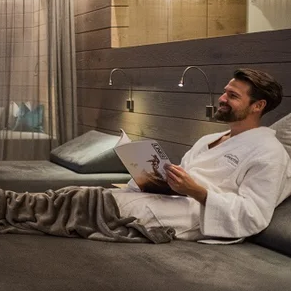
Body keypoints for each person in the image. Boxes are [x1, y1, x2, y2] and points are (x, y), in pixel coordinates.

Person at [112, 68, 291, 241]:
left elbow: (254, 215)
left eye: (233, 96)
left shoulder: (270, 153)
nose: (222, 99)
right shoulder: (208, 139)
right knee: (102, 195)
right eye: (225, 92)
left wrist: (197, 192)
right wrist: (152, 177)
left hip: (200, 214)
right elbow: (182, 177)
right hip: (173, 200)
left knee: (108, 207)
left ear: (258, 106)